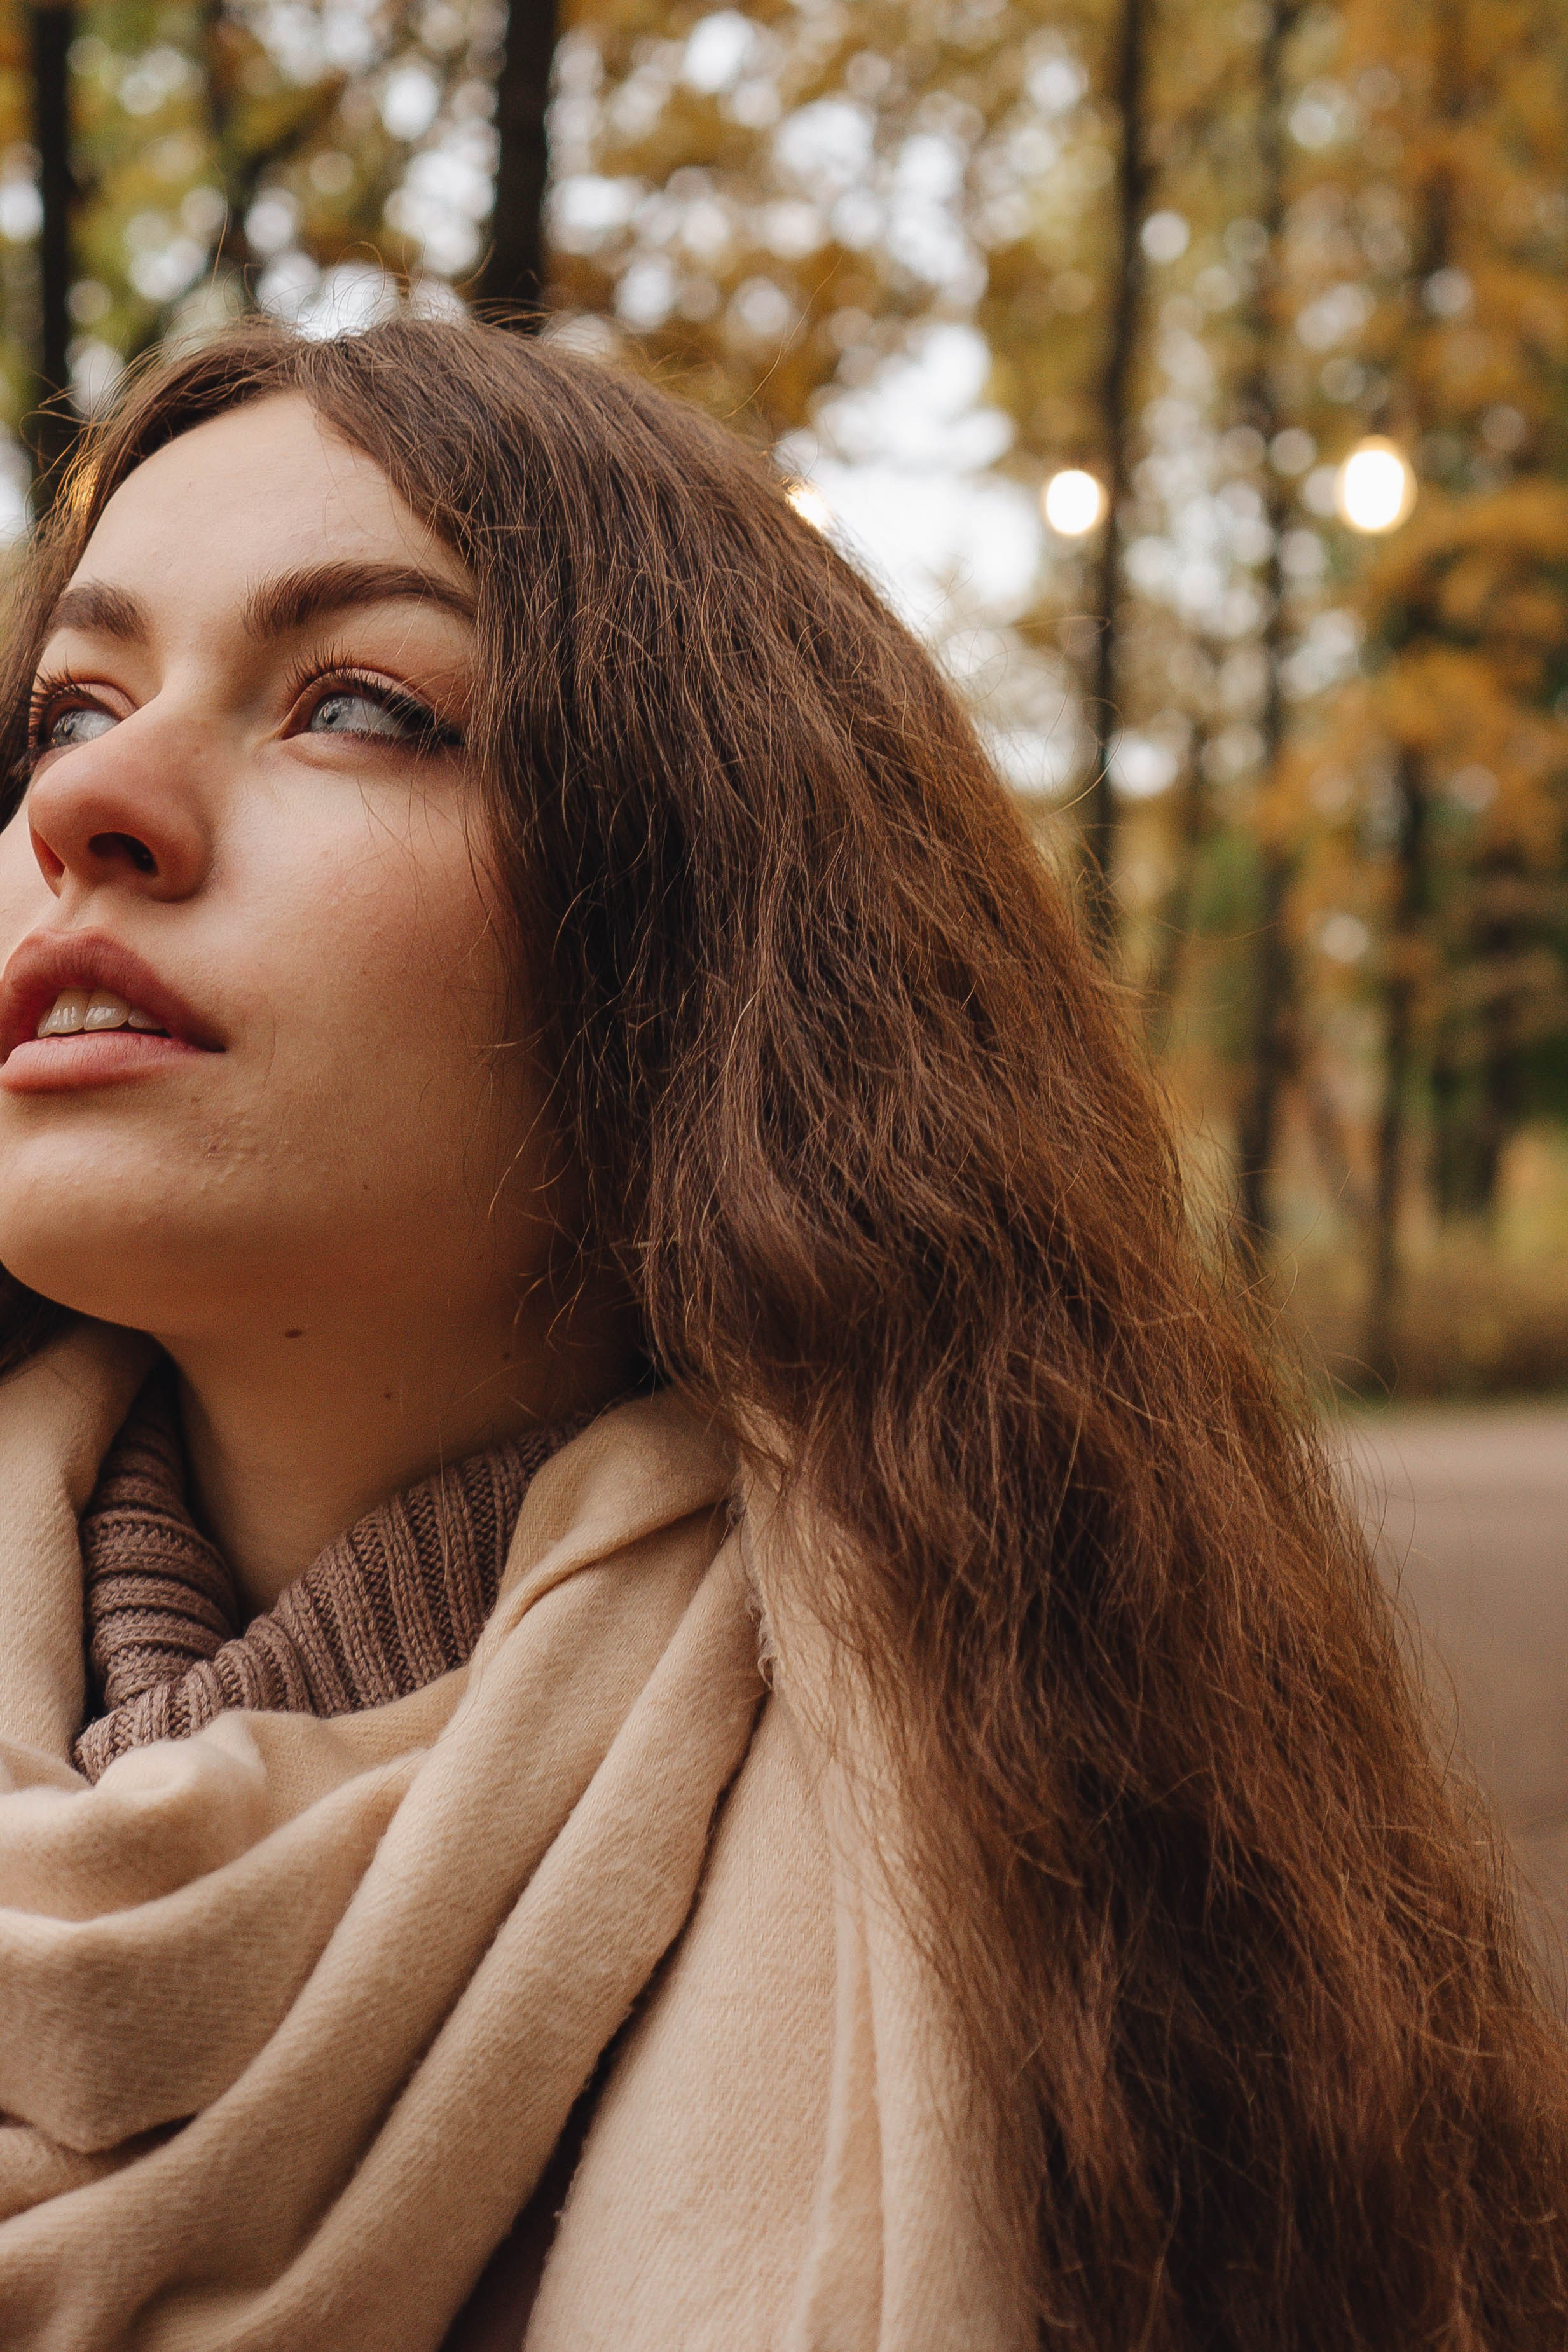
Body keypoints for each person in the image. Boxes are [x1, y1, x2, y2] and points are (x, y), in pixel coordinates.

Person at [0, 316, 1562, 2352]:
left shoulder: (1074, 1850)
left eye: (363, 705)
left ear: (707, 937)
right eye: (65, 707)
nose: (88, 800)